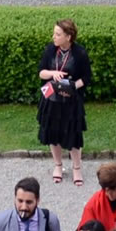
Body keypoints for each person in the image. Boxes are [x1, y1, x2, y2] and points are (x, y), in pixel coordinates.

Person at [37, 22, 91, 188]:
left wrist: (73, 86)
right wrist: (53, 73)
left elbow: (87, 77)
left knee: (73, 134)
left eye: (58, 34)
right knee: (53, 133)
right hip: (52, 99)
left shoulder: (80, 53)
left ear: (68, 37)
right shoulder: (50, 50)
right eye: (54, 33)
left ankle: (76, 168)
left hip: (71, 101)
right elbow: (41, 72)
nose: (54, 37)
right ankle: (58, 165)